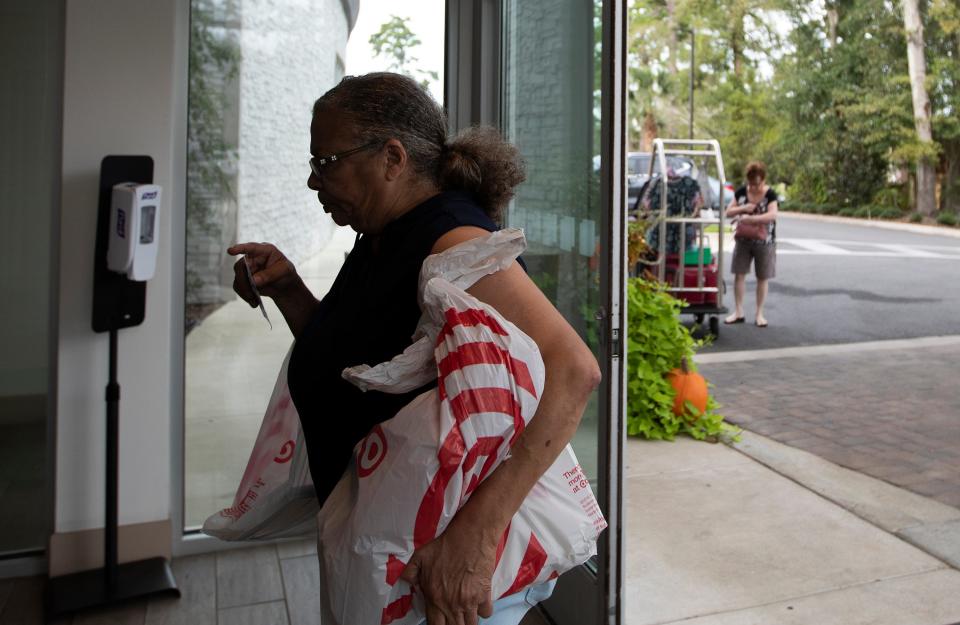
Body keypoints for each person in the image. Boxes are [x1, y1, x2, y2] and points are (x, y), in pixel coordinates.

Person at [227, 72, 601, 625]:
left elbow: (573, 368)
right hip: (384, 541)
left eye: (325, 162)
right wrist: (289, 291)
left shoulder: (450, 239)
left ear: (393, 158)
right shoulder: (381, 233)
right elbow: (352, 361)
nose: (313, 181)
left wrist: (478, 533)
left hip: (440, 571)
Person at [724, 161, 779, 327]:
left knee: (762, 277)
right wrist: (743, 208)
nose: (754, 187)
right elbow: (728, 212)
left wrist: (752, 218)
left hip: (765, 241)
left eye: (757, 184)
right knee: (739, 274)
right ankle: (739, 311)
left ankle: (759, 313)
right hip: (743, 240)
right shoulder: (741, 192)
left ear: (763, 179)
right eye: (751, 184)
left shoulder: (770, 194)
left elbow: (772, 215)